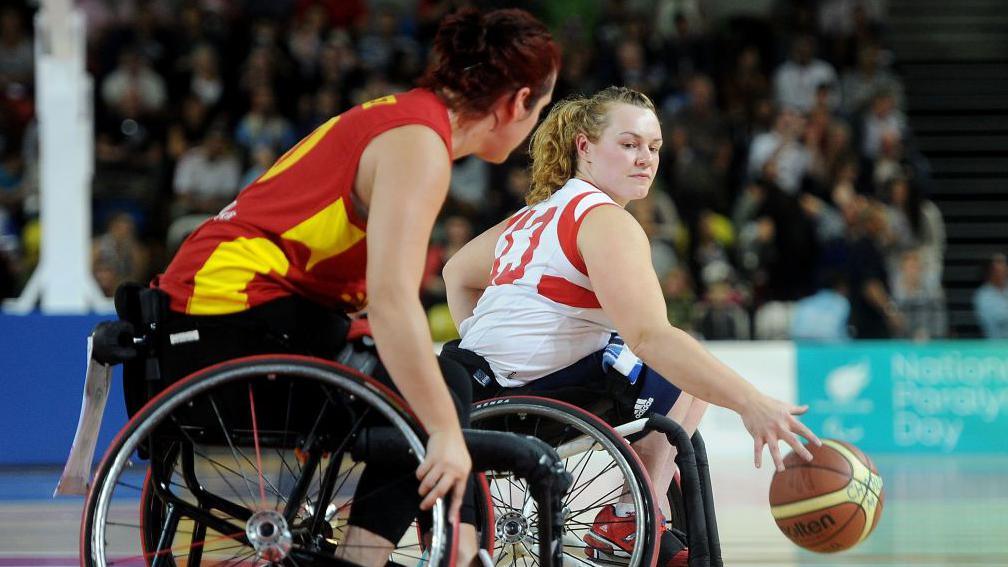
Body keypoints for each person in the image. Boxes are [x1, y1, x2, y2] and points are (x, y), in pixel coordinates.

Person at [152, 9, 559, 566]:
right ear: (518, 102)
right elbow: (392, 302)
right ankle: (430, 553)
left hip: (222, 314)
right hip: (228, 318)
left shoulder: (401, 120)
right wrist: (442, 432)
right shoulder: (418, 145)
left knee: (437, 383)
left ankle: (435, 549)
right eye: (539, 110)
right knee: (430, 397)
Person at [442, 87, 820, 563]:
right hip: (530, 400)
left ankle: (637, 513)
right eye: (629, 145)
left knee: (652, 354)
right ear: (584, 147)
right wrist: (752, 403)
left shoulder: (536, 213)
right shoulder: (603, 221)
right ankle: (634, 515)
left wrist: (487, 345)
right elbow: (652, 337)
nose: (645, 159)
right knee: (680, 363)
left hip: (475, 386)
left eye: (654, 147)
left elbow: (455, 272)